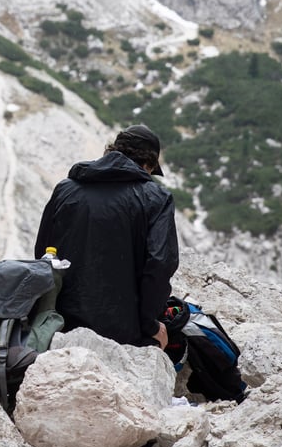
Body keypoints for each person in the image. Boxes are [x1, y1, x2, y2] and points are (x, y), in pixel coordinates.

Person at [34, 124, 179, 349]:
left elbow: (43, 253)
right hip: (124, 334)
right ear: (147, 164)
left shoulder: (66, 189)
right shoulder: (156, 199)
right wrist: (150, 325)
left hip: (61, 325)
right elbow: (159, 264)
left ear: (111, 151)